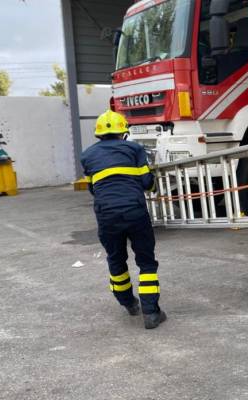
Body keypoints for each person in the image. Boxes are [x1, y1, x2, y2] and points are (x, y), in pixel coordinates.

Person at [80, 110, 167, 330]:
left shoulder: (87, 155)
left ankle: (128, 303)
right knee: (146, 262)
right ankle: (151, 313)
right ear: (123, 132)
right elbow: (147, 182)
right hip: (135, 212)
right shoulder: (135, 149)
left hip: (106, 215)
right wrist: (153, 181)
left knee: (116, 259)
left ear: (98, 134)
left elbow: (93, 188)